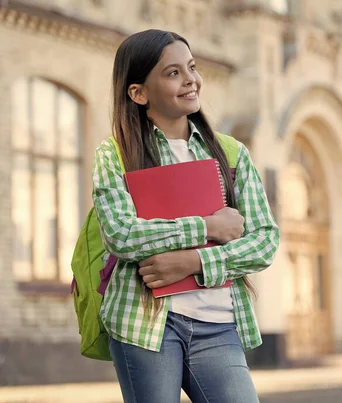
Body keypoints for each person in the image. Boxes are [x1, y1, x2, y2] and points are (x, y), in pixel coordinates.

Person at [92, 29, 279, 403]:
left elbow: (264, 241)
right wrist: (208, 227)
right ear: (138, 93)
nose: (191, 79)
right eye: (173, 72)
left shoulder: (230, 154)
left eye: (191, 68)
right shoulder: (115, 154)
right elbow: (123, 235)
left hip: (218, 324)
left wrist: (194, 261)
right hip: (143, 324)